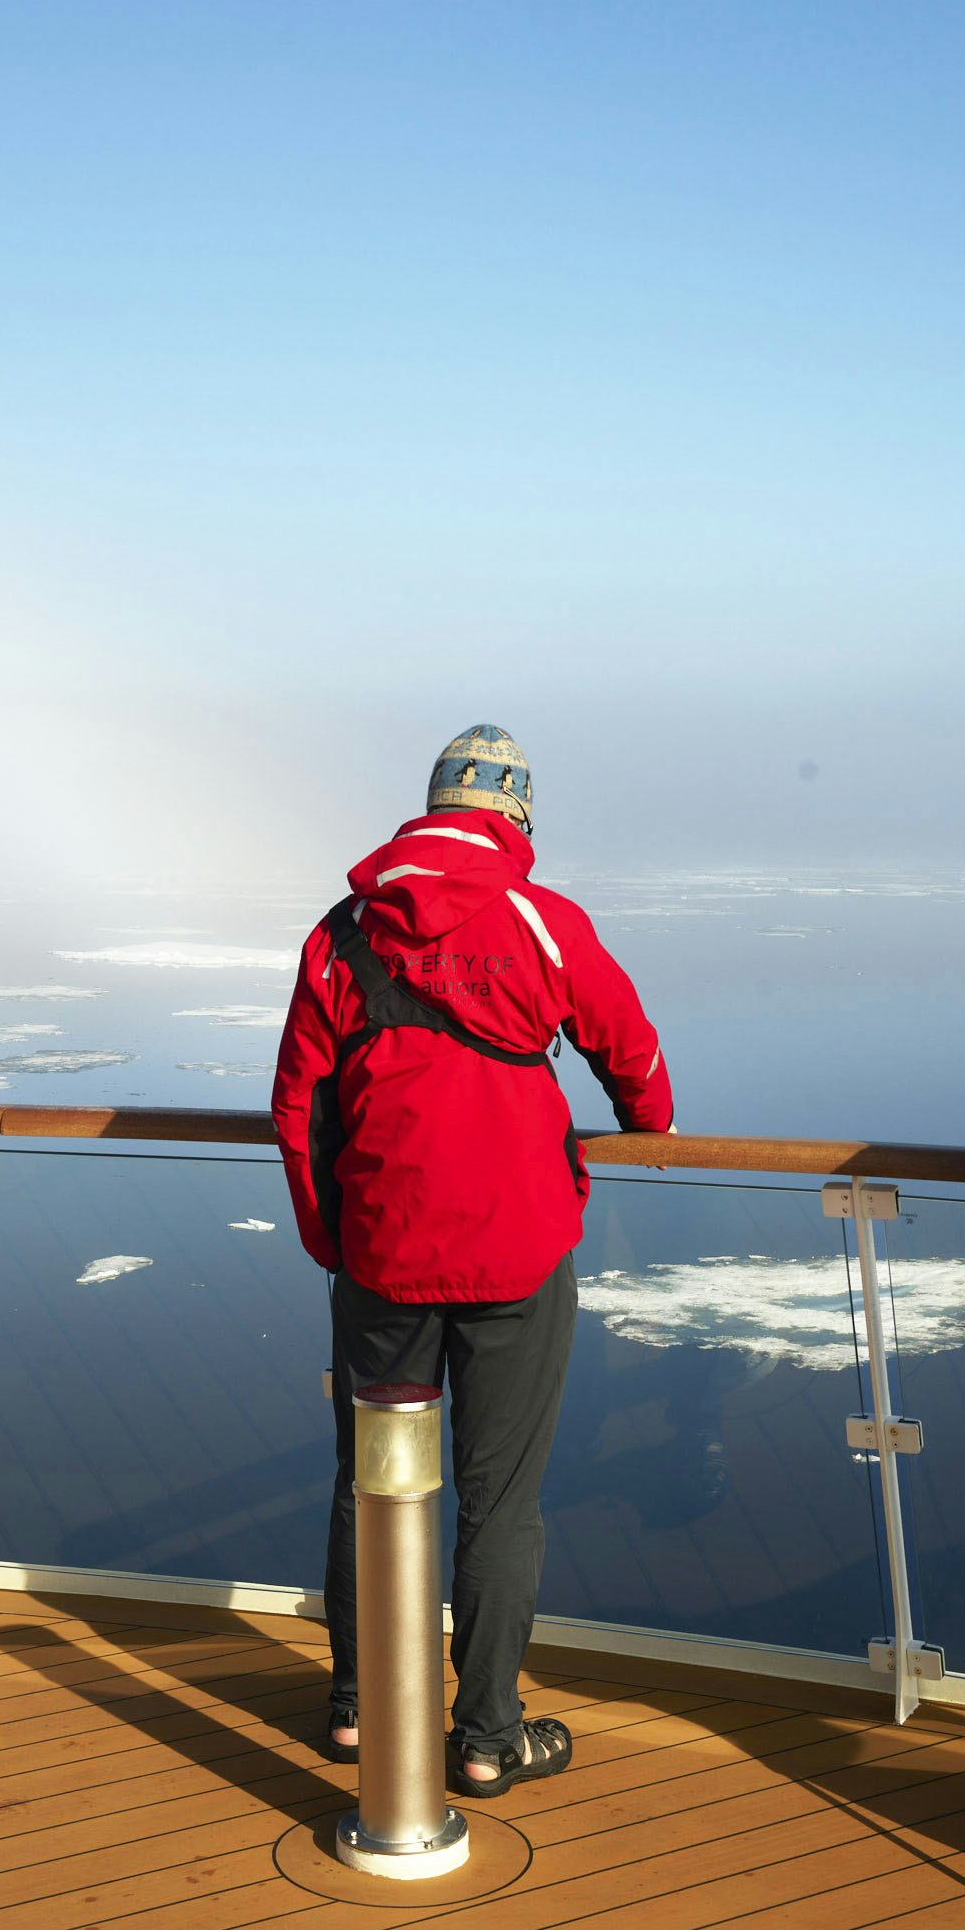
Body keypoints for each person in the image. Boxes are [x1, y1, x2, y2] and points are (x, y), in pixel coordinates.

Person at [271, 724, 672, 1797]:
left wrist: (329, 1234)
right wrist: (642, 1117)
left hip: (380, 1253)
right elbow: (630, 1052)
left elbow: (299, 1100)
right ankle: (488, 1733)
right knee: (502, 1504)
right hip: (516, 1249)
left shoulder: (341, 933)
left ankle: (358, 1705)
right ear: (514, 816)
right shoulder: (541, 921)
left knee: (369, 1484)